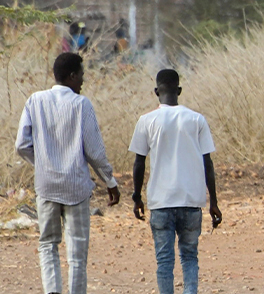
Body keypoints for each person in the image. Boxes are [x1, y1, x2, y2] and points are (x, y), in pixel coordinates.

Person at [15, 52, 121, 294]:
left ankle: (52, 291)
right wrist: (110, 181)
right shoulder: (81, 104)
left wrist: (42, 163)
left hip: (47, 186)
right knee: (77, 250)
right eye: (81, 75)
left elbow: (21, 145)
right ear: (72, 76)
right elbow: (94, 151)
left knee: (48, 244)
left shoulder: (35, 100)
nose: (82, 81)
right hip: (76, 187)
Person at [129, 69, 222, 294]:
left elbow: (138, 163)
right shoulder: (196, 119)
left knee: (164, 261)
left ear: (156, 91)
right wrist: (214, 202)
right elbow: (207, 163)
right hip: (191, 200)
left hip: (161, 201)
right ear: (179, 90)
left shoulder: (146, 120)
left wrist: (137, 197)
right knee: (189, 256)